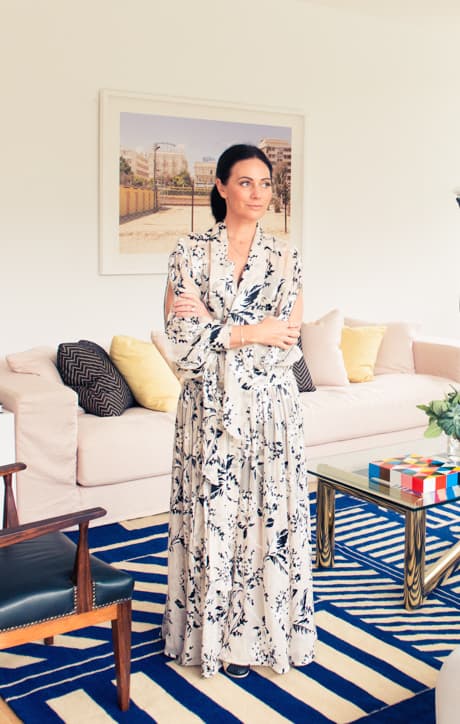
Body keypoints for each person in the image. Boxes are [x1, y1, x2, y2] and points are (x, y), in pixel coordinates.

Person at [162, 144, 316, 679]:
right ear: (222, 186)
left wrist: (217, 326)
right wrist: (252, 330)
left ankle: (261, 637)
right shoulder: (187, 251)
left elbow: (287, 343)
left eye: (266, 184)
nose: (258, 193)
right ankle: (210, 638)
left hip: (271, 411)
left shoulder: (286, 257)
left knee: (266, 520)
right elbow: (183, 343)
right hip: (207, 410)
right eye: (246, 182)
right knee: (214, 517)